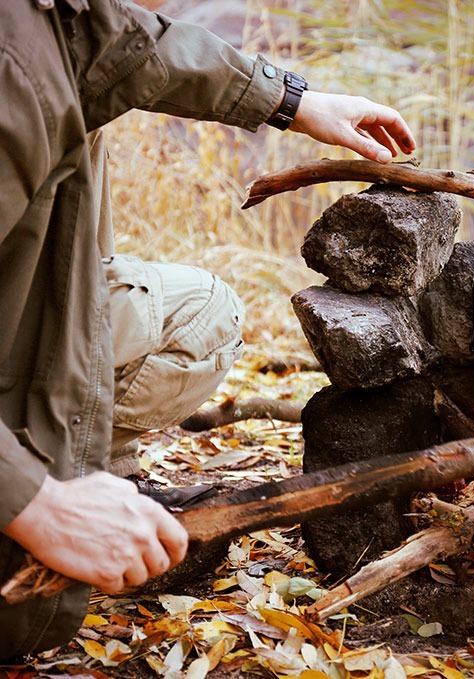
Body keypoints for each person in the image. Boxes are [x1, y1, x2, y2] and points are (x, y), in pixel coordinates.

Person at [0, 0, 416, 658]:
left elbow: (133, 48)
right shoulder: (11, 68)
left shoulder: (51, 17)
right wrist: (35, 502)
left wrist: (295, 102)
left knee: (202, 314)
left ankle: (90, 477)